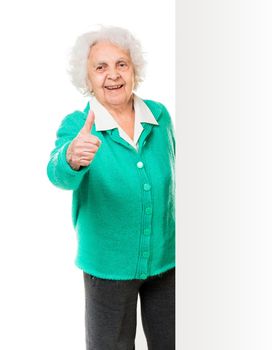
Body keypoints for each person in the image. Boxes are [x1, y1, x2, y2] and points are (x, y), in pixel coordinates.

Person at [47, 25, 175, 350]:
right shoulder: (78, 126)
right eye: (100, 67)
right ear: (87, 79)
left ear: (134, 71)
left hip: (167, 261)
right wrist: (71, 158)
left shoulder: (159, 117)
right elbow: (57, 172)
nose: (113, 75)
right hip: (107, 270)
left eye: (121, 64)